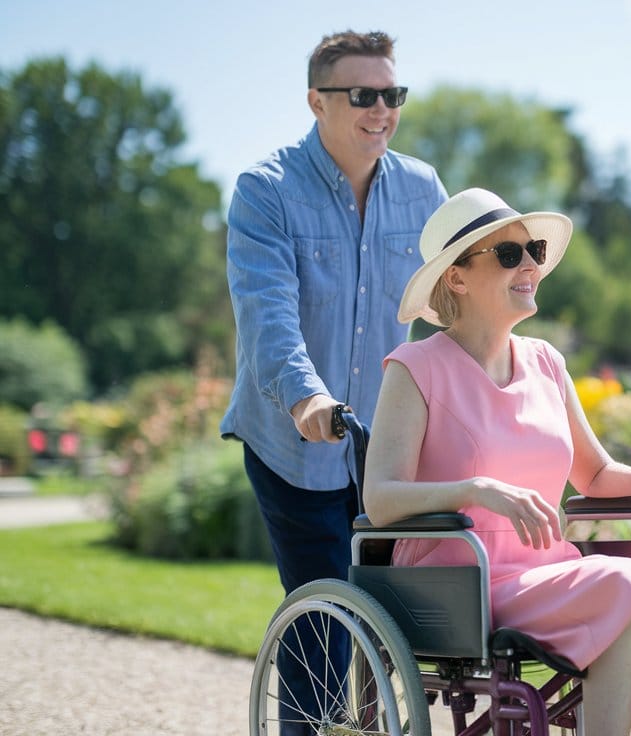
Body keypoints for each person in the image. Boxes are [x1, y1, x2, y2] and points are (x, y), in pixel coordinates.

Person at [364, 188, 631, 735]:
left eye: (534, 251)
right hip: (462, 579)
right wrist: (475, 489)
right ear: (457, 277)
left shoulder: (547, 361)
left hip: (546, 572)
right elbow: (379, 499)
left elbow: (593, 474)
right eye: (508, 254)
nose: (530, 266)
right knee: (625, 586)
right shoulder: (416, 367)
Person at [220, 29, 445, 733]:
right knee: (325, 619)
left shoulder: (421, 190)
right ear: (317, 101)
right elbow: (268, 317)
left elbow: (453, 305)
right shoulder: (267, 191)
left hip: (388, 442)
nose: (381, 110)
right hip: (295, 437)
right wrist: (307, 397)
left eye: (392, 94)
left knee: (404, 620)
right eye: (363, 95)